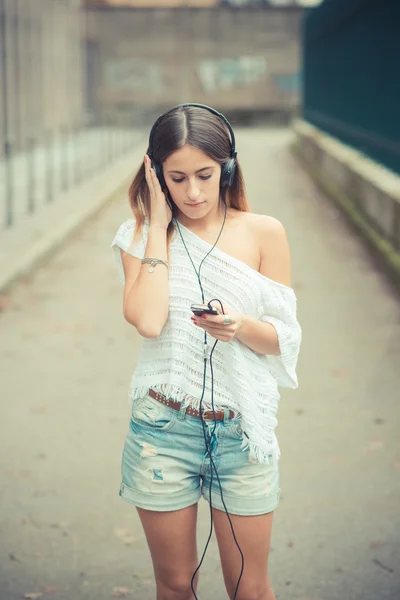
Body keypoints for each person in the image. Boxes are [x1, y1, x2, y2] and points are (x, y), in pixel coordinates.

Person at [111, 104, 302, 600]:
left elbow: (284, 339)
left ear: (228, 168)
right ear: (155, 174)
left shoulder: (264, 232)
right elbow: (149, 322)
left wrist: (238, 326)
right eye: (176, 177)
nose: (193, 192)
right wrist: (156, 225)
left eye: (205, 174)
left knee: (249, 587)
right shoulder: (138, 237)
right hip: (162, 431)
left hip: (241, 432)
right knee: (175, 584)